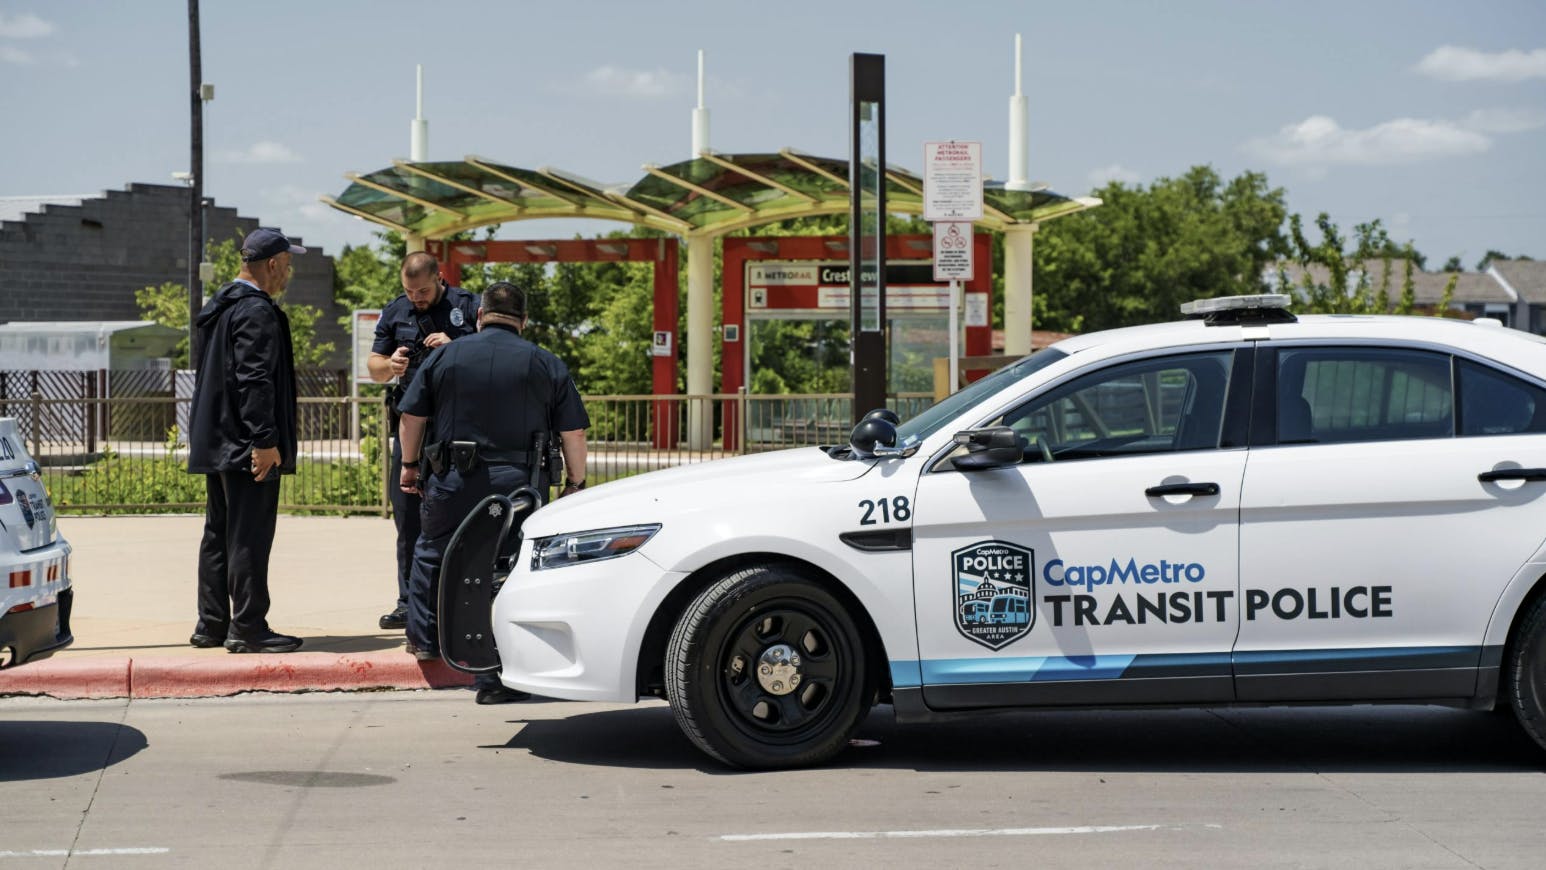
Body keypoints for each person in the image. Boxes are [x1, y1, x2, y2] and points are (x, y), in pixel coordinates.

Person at [396, 281, 589, 704]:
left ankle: (426, 641)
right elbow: (572, 431)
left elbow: (411, 415)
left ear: (480, 316)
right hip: (520, 484)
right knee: (510, 567)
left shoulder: (445, 355)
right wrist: (575, 483)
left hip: (452, 479)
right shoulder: (545, 363)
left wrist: (410, 467)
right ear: (523, 321)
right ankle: (498, 668)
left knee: (433, 552)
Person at [186, 227, 304, 654]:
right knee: (249, 536)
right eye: (287, 266)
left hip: (218, 440)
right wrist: (264, 440)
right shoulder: (255, 311)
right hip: (246, 445)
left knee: (219, 533)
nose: (288, 275)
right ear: (271, 264)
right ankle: (249, 627)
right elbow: (254, 379)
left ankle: (212, 623)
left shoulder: (221, 305)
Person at [367, 252, 480, 631]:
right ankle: (407, 601)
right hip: (410, 427)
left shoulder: (468, 306)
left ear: (440, 278)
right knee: (407, 515)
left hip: (456, 428)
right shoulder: (396, 310)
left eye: (423, 290)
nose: (416, 297)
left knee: (460, 512)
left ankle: (457, 598)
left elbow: (490, 357)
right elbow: (374, 367)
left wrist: (454, 345)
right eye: (410, 290)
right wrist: (391, 366)